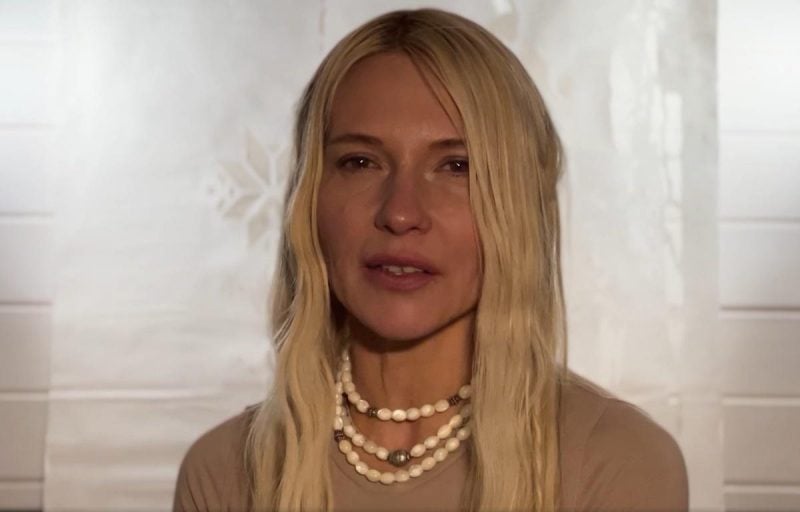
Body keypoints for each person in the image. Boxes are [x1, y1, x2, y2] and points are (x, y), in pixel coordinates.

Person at [173, 8, 688, 512]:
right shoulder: (226, 473)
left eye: (456, 166)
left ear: (517, 204)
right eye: (360, 162)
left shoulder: (616, 463)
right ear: (309, 197)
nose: (400, 213)